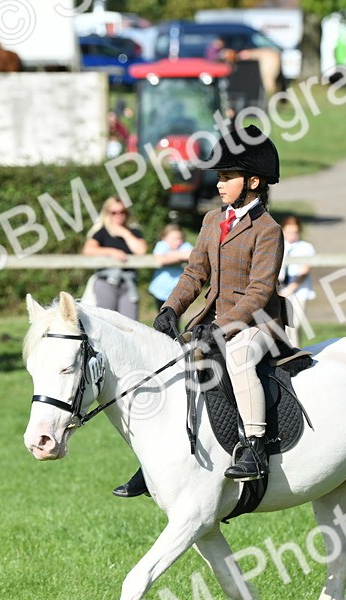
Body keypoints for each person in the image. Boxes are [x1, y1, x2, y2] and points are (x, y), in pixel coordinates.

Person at [116, 124, 286, 497]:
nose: (219, 184)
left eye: (227, 177)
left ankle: (255, 447)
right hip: (212, 320)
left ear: (253, 181)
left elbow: (260, 291)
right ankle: (158, 460)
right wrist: (171, 307)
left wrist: (223, 327)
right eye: (219, 177)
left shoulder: (268, 230)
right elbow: (195, 273)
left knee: (239, 359)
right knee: (172, 366)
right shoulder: (212, 221)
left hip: (257, 324)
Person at [83, 196, 147, 320]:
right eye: (114, 212)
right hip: (106, 281)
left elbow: (141, 250)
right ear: (107, 213)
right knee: (106, 320)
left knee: (130, 323)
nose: (118, 215)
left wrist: (124, 233)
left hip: (128, 283)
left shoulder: (134, 232)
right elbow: (88, 250)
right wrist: (111, 252)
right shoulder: (102, 232)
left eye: (122, 212)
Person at [277, 216, 316, 347]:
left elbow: (305, 270)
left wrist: (291, 288)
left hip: (299, 290)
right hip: (281, 289)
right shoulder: (278, 246)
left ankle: (296, 349)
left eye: (295, 232)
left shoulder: (306, 248)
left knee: (295, 324)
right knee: (285, 326)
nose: (292, 235)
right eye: (288, 232)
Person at [148, 223, 193, 308]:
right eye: (173, 238)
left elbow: (191, 255)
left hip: (178, 292)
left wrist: (172, 254)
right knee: (161, 314)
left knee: (176, 315)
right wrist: (181, 256)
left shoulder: (185, 245)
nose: (177, 242)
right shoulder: (161, 245)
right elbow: (161, 260)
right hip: (160, 291)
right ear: (164, 238)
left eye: (179, 238)